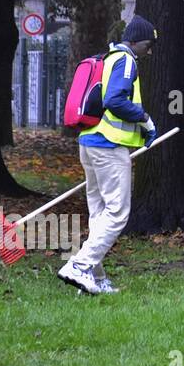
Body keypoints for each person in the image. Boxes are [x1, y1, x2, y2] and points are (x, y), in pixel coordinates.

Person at [59, 15, 159, 295]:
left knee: (100, 213)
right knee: (117, 213)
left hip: (89, 142)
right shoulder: (126, 61)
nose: (149, 51)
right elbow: (115, 101)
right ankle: (79, 266)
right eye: (148, 45)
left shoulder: (107, 59)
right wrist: (146, 120)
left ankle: (95, 278)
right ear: (136, 41)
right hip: (109, 146)